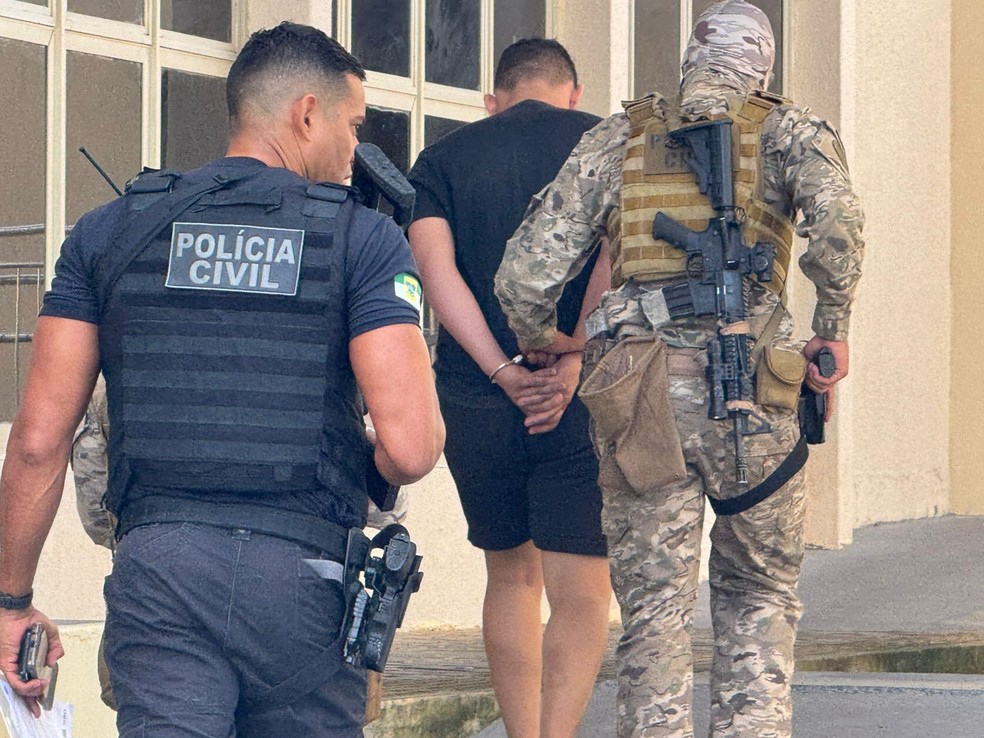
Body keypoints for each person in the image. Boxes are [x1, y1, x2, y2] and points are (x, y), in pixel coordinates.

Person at [0, 21, 444, 737]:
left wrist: (10, 600)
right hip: (303, 581)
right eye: (354, 126)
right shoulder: (362, 239)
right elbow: (414, 447)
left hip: (160, 574)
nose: (356, 151)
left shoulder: (109, 231)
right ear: (307, 114)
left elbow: (38, 443)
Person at [495, 3, 865, 737]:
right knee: (757, 595)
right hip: (757, 393)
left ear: (690, 60)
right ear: (763, 64)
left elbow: (524, 274)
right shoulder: (792, 132)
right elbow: (840, 233)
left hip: (641, 395)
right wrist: (832, 330)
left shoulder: (620, 137)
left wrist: (545, 339)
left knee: (654, 610)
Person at [407, 38, 612, 738]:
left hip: (475, 395)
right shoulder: (605, 144)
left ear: (492, 100)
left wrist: (500, 369)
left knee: (509, 575)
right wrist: (574, 360)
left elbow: (436, 277)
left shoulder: (441, 161)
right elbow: (621, 255)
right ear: (573, 92)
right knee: (583, 588)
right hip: (580, 397)